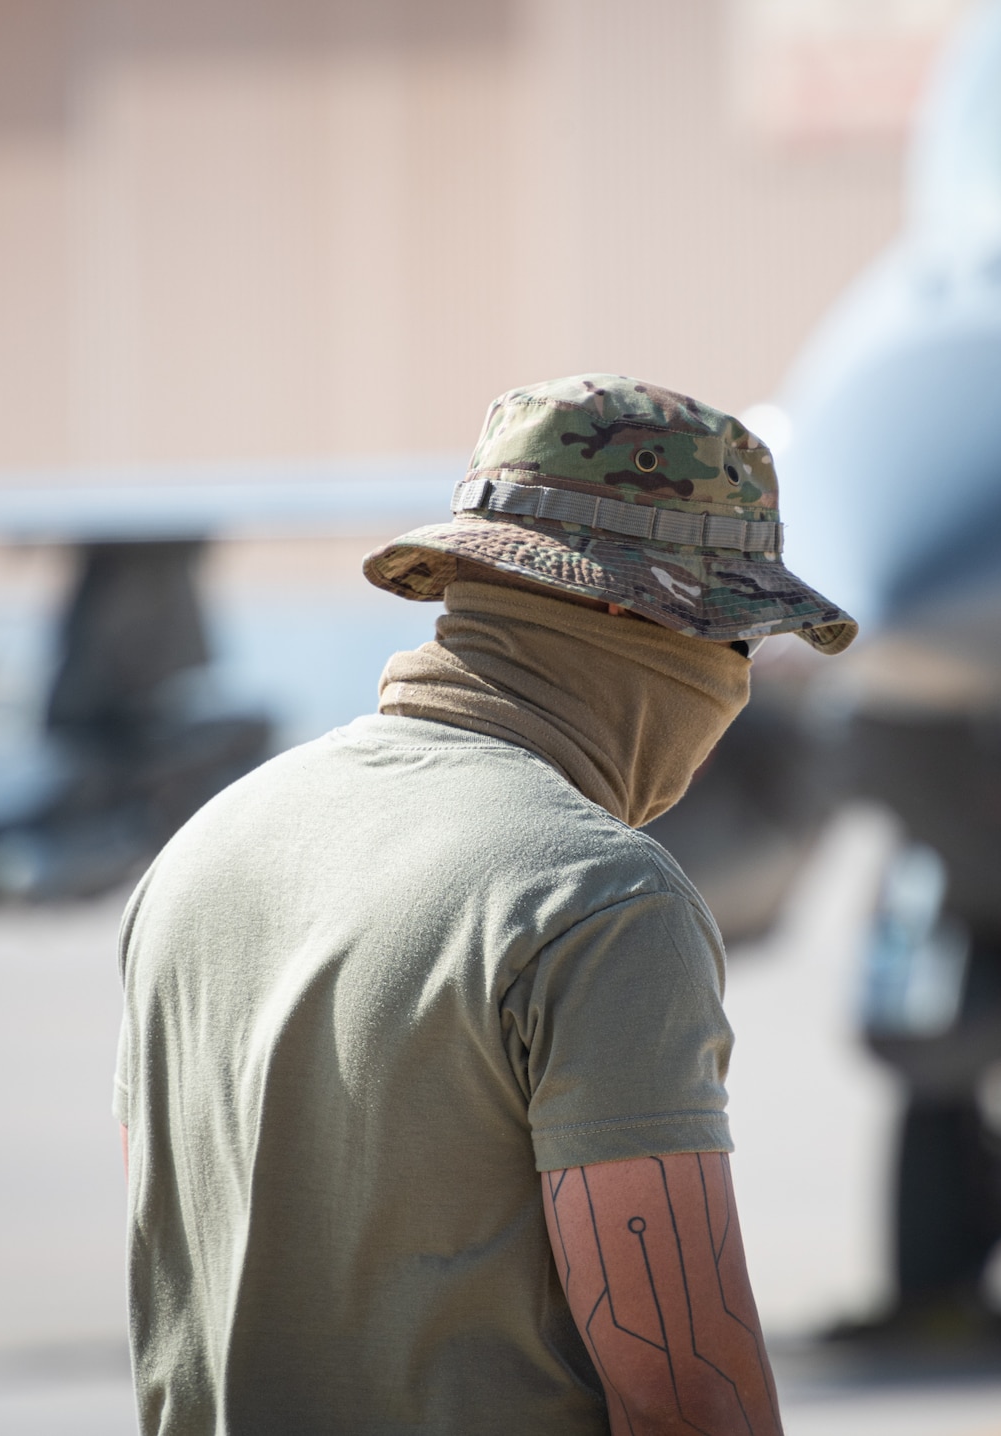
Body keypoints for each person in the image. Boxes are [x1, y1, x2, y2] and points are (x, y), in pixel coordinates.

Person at [112, 375, 855, 1435]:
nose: (733, 680)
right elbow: (686, 1387)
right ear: (629, 608)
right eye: (732, 634)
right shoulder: (596, 896)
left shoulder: (203, 852)